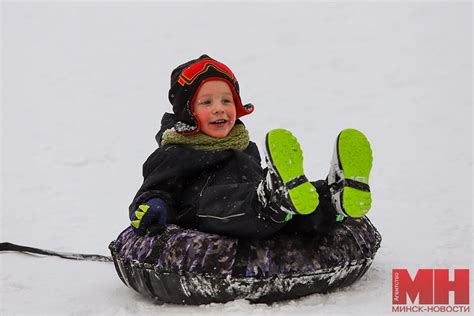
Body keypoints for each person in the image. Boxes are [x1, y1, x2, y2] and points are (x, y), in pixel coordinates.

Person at [129, 54, 373, 238]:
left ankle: (332, 198)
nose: (219, 108)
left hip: (258, 210)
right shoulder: (173, 152)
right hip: (204, 214)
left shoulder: (244, 146)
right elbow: (154, 189)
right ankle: (273, 199)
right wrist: (153, 206)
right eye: (206, 102)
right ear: (186, 112)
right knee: (226, 203)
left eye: (227, 100)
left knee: (299, 210)